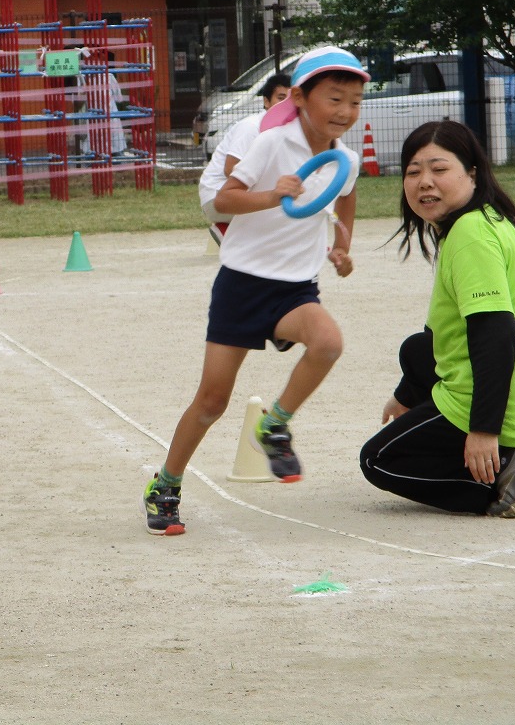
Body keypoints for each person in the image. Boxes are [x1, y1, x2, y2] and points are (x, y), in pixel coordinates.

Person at [144, 45, 367, 535]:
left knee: (328, 342)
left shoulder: (344, 158)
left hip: (295, 289)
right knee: (211, 402)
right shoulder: (271, 141)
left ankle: (275, 424)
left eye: (355, 101)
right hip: (242, 284)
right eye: (335, 99)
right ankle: (165, 483)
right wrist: (273, 194)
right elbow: (223, 201)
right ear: (302, 98)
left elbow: (345, 197)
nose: (346, 112)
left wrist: (342, 245)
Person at [359, 121, 515, 518]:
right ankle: (504, 455)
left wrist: (484, 431)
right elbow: (438, 340)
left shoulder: (470, 234)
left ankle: (503, 475)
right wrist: (407, 396)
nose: (424, 182)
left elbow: (495, 332)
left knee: (379, 459)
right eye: (413, 171)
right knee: (418, 349)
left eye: (439, 170)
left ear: (472, 174)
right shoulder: (484, 220)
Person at [199, 72, 292, 243]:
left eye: (290, 99)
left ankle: (234, 233)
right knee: (277, 207)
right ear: (266, 102)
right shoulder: (251, 127)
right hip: (216, 195)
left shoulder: (285, 131)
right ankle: (229, 233)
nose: (286, 104)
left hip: (230, 197)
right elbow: (230, 169)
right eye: (280, 98)